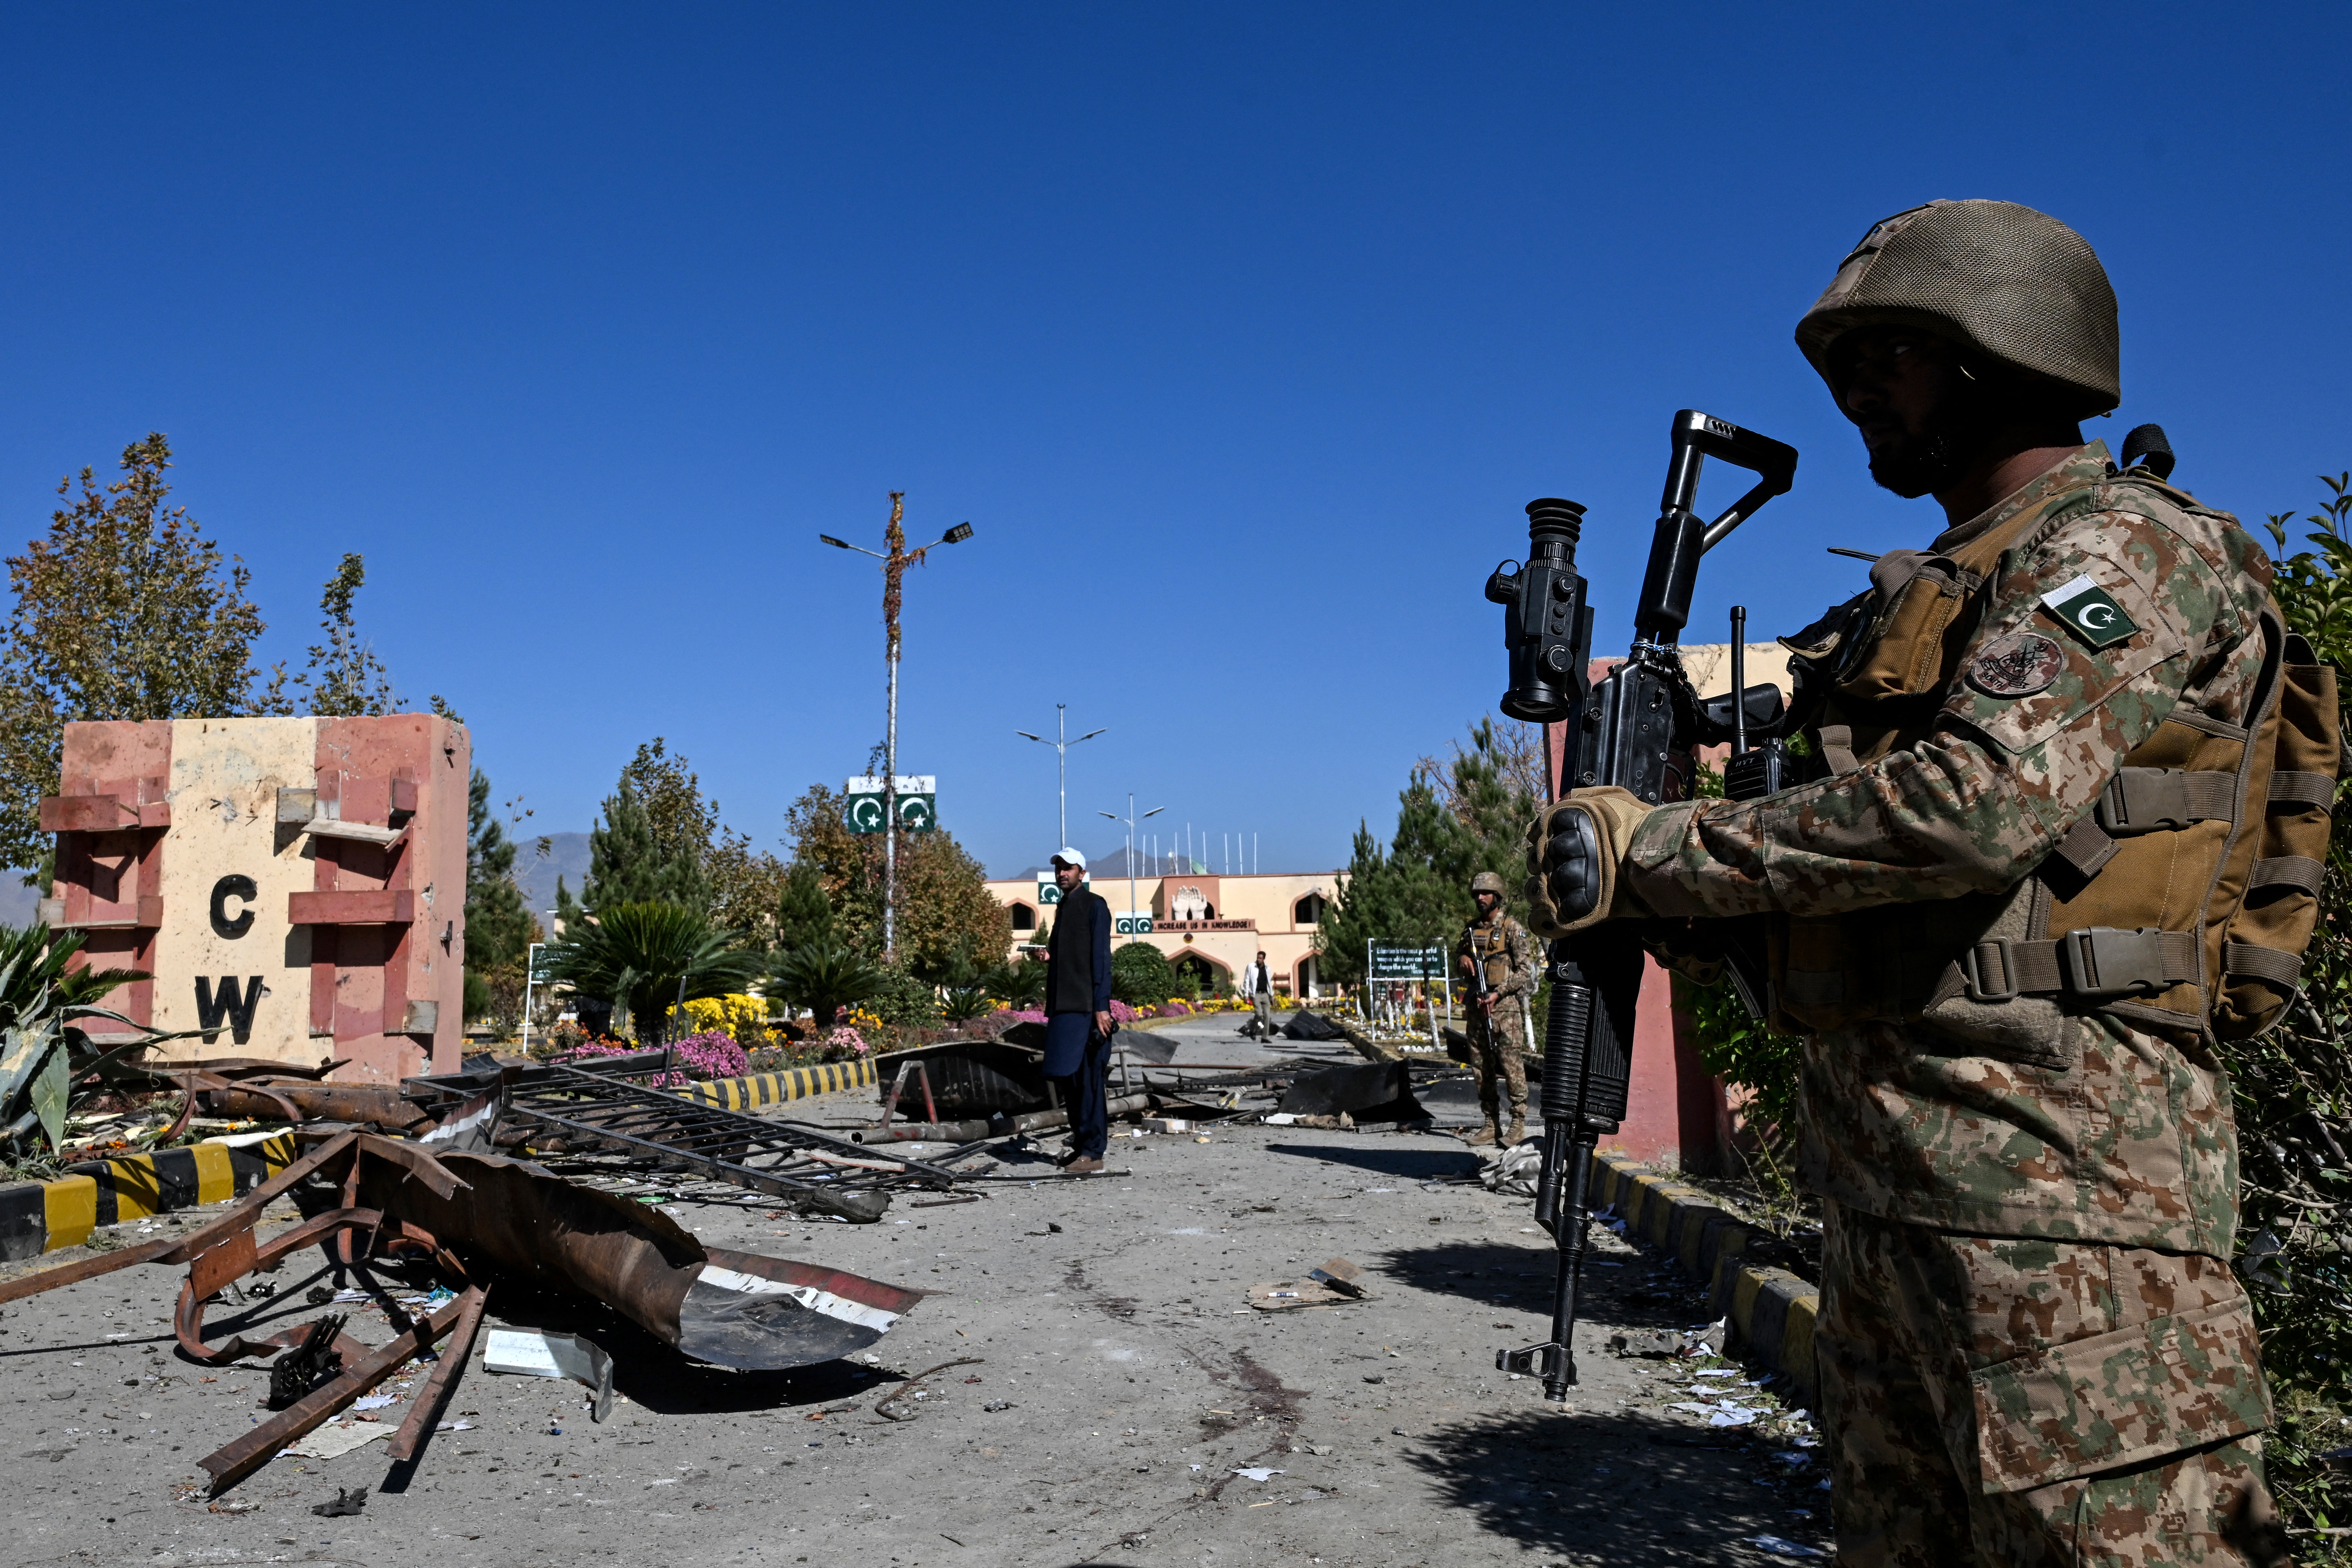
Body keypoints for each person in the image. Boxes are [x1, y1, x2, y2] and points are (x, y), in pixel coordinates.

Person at [1532, 201, 2298, 1565]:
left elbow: (1969, 808)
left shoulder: (2119, 550)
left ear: (2007, 351)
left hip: (2067, 1218)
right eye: (1842, 363)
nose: (1852, 390)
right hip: (1891, 1201)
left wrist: (1654, 853)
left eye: (1890, 351)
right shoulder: (1920, 592)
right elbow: (1831, 855)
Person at [1042, 848, 1114, 1176]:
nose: (1062, 874)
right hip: (1064, 1010)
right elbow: (1070, 958)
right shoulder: (1063, 907)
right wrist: (1050, 957)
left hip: (1087, 1011)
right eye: (1058, 868)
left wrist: (1101, 1007)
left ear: (1082, 873)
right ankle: (1081, 1146)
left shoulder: (1094, 905)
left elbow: (1101, 959)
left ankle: (1094, 1152)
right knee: (1070, 1083)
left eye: (1068, 869)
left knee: (1089, 1084)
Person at [1454, 869, 1535, 1146]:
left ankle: (1518, 1123)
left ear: (1497, 896)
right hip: (1477, 1007)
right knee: (1481, 1068)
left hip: (1504, 1010)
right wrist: (1463, 959)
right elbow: (1459, 960)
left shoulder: (1512, 928)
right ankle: (1491, 1124)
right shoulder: (1471, 930)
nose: (1480, 897)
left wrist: (1499, 993)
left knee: (1512, 1067)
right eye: (1477, 893)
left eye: (1485, 893)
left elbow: (1526, 971)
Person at [1240, 951, 1277, 1041]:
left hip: (1266, 994)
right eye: (1258, 958)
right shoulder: (1251, 967)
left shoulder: (1267, 968)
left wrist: (1271, 996)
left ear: (1264, 959)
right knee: (1259, 1014)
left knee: (1267, 1016)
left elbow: (1269, 983)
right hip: (1256, 994)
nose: (1258, 960)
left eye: (1261, 958)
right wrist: (1246, 995)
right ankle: (1253, 1030)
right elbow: (1247, 980)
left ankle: (1265, 1037)